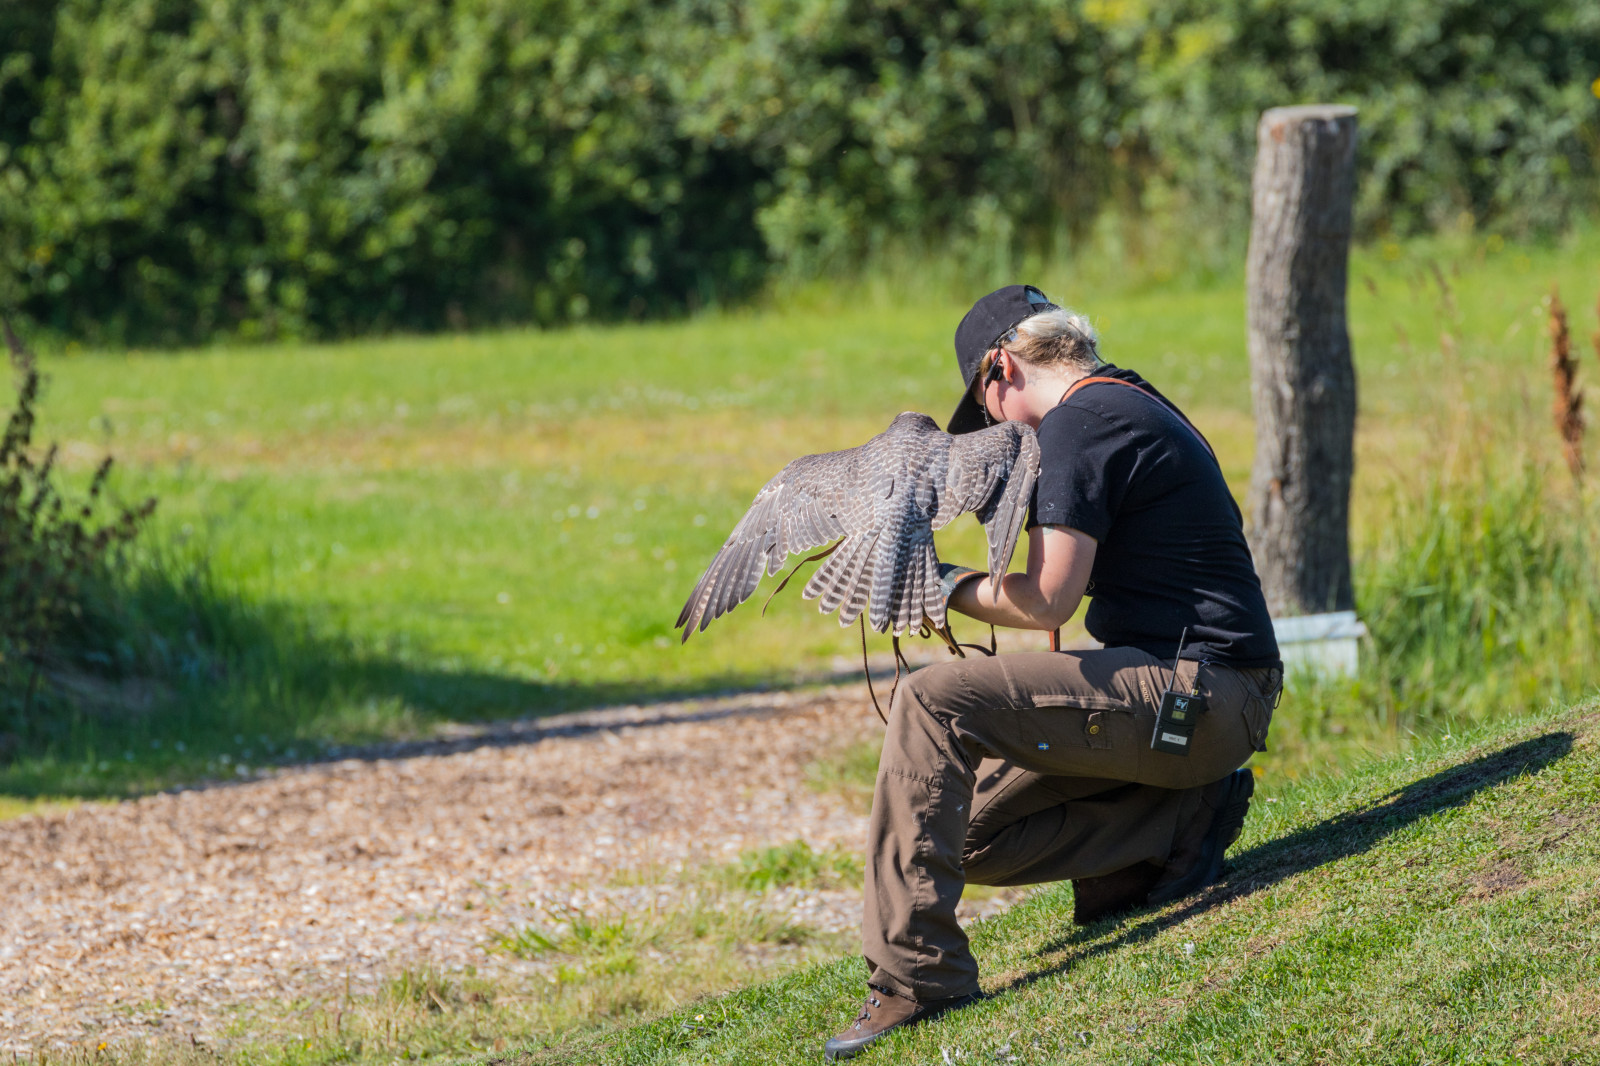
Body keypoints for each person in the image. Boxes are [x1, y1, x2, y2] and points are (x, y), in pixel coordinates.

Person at [824, 285, 1283, 1062]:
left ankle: (915, 976)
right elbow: (1060, 623)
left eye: (988, 407)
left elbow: (1049, 598)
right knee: (963, 835)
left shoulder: (1080, 425)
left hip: (1202, 693)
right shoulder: (1127, 399)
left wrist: (936, 584)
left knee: (931, 701)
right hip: (1207, 702)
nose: (1000, 432)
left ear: (1000, 366)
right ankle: (1177, 828)